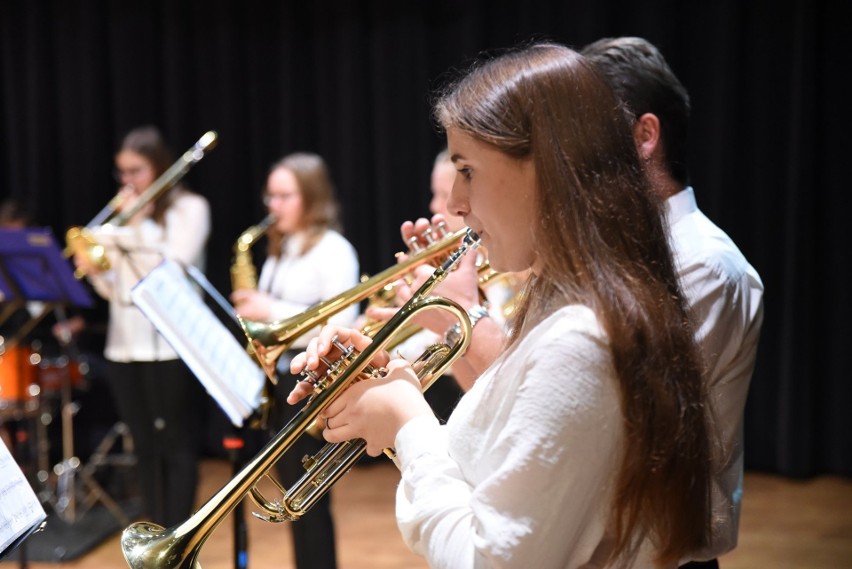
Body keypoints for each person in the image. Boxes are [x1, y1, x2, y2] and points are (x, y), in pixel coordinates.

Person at [288, 43, 713, 568]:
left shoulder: (582, 335)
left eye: (467, 170)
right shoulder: (566, 300)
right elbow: (492, 464)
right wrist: (392, 379)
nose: (453, 205)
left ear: (547, 168)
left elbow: (487, 560)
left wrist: (406, 420)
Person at [580, 37, 765, 568]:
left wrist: (475, 324)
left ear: (644, 136)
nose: (564, 159)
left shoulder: (702, 265)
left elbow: (613, 429)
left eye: (582, 134)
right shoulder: (614, 253)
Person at [72, 125, 211, 527]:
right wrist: (94, 267)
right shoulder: (120, 221)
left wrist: (137, 227)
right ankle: (154, 530)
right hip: (124, 346)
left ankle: (178, 532)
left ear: (158, 168)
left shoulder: (190, 209)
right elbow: (116, 291)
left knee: (176, 443)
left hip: (172, 345)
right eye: (122, 172)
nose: (128, 181)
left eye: (137, 170)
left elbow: (175, 264)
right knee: (144, 445)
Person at [230, 152, 359, 569]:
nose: (273, 205)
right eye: (270, 196)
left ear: (311, 197)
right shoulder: (280, 251)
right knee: (292, 500)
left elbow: (340, 323)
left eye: (285, 195)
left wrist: (268, 309)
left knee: (310, 502)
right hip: (279, 383)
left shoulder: (334, 250)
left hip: (313, 387)